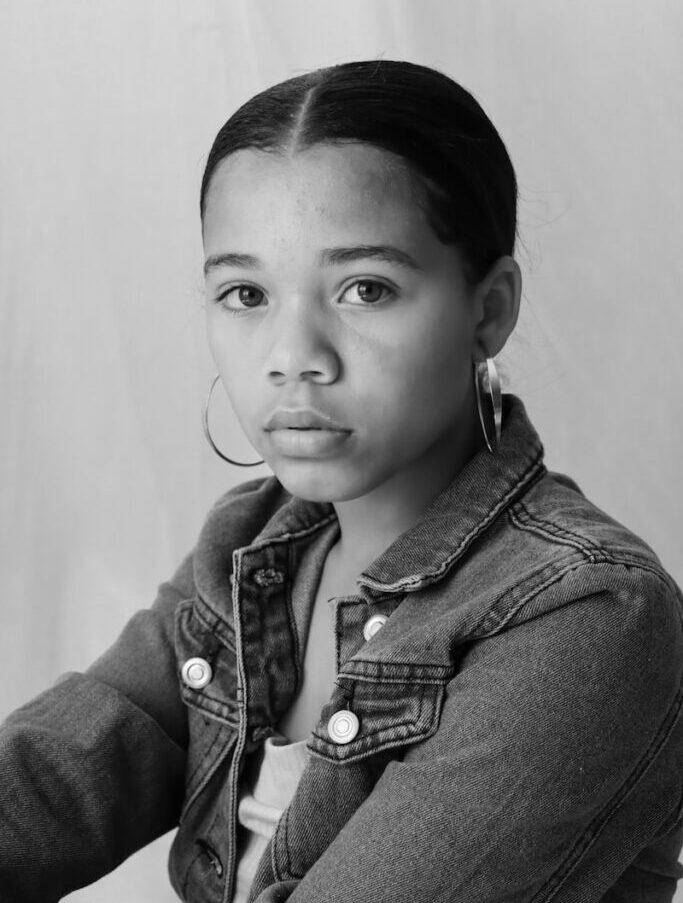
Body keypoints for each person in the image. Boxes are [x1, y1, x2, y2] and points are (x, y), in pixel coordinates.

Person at [1, 58, 683, 903]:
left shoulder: (590, 614)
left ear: (489, 308)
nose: (293, 358)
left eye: (365, 288)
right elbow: (50, 782)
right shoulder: (253, 548)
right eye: (244, 292)